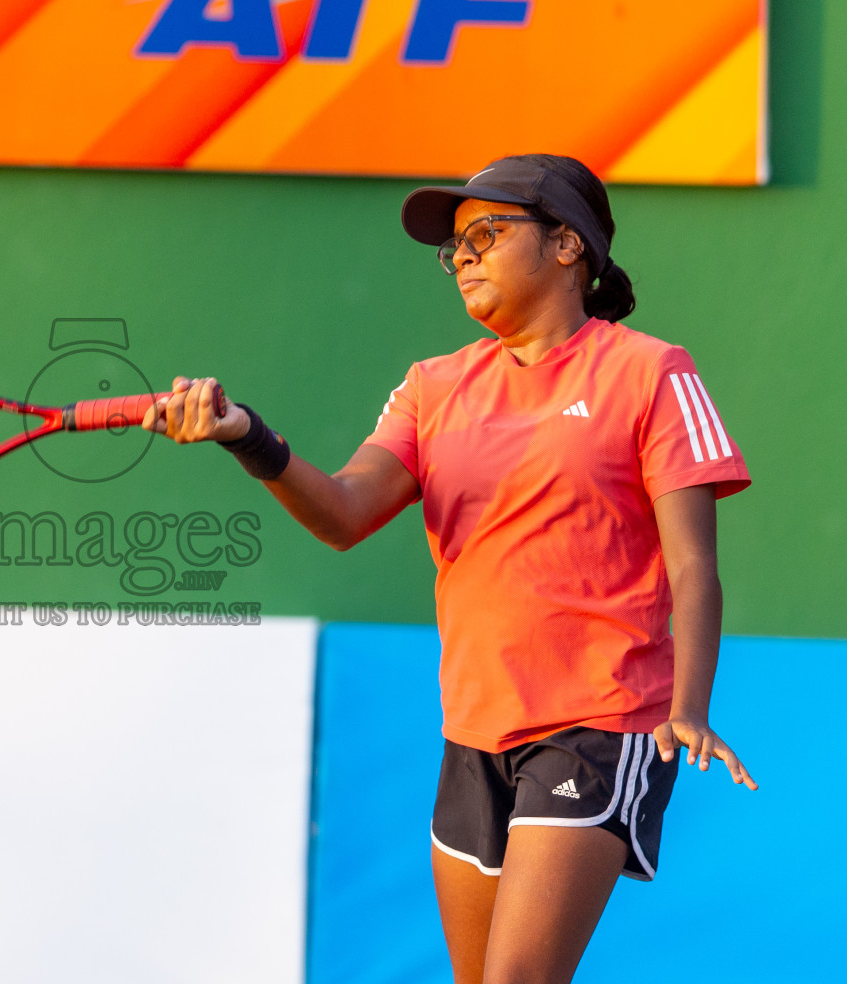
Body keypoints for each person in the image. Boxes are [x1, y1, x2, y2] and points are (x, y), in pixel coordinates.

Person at [142, 154, 757, 984]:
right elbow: (345, 513)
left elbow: (693, 561)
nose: (463, 255)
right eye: (455, 246)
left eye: (487, 233)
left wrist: (690, 706)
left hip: (602, 723)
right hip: (472, 732)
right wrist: (246, 435)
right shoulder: (433, 388)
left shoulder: (649, 371)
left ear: (569, 245)